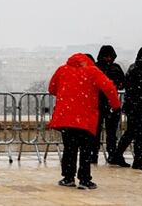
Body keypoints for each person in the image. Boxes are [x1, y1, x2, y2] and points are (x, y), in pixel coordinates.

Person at [48, 53, 120, 190]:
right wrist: (115, 105)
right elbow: (109, 88)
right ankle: (84, 179)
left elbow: (52, 88)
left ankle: (68, 177)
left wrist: (67, 95)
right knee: (86, 150)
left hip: (66, 117)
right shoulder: (93, 71)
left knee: (69, 148)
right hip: (86, 118)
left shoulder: (62, 70)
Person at [112, 46, 142, 169]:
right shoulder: (141, 69)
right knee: (139, 133)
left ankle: (118, 155)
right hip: (138, 105)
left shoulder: (136, 67)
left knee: (131, 132)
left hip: (133, 105)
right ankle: (137, 159)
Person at [91, 45, 125, 164]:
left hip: (101, 103)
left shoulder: (95, 67)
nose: (108, 59)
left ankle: (94, 154)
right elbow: (122, 82)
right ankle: (109, 154)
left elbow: (123, 82)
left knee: (100, 131)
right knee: (109, 132)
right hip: (108, 102)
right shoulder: (114, 68)